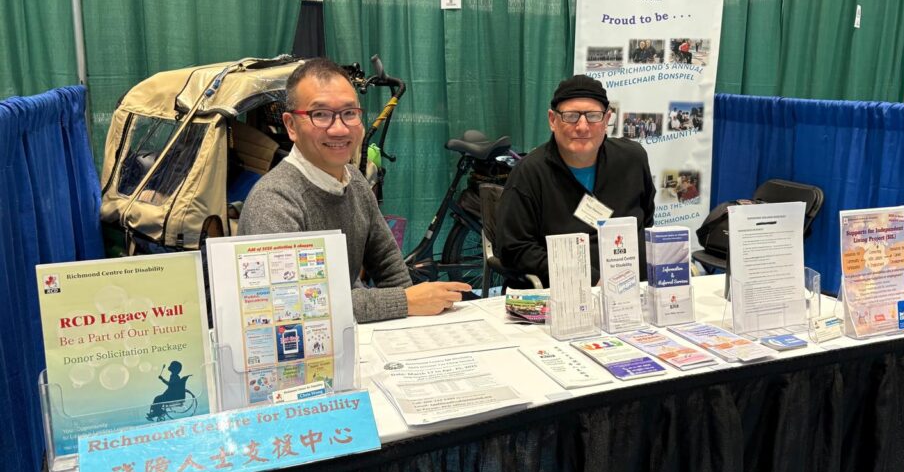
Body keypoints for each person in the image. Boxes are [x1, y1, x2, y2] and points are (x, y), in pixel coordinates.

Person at [239, 58, 469, 322]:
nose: (339, 129)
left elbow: (390, 268)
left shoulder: (355, 181)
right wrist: (405, 302)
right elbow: (290, 306)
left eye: (349, 113)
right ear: (291, 126)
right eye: (320, 115)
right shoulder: (274, 202)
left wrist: (415, 317)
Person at [496, 74, 656, 286]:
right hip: (564, 292)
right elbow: (513, 247)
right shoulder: (530, 172)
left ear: (607, 119)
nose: (582, 127)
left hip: (634, 290)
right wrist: (588, 278)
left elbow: (646, 220)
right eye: (571, 116)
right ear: (553, 120)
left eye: (593, 116)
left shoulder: (632, 159)